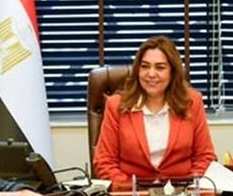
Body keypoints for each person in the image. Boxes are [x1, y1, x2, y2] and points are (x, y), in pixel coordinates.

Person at [93, 35, 216, 185]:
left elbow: (205, 157)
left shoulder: (192, 102)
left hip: (181, 192)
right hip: (131, 194)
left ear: (173, 72)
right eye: (145, 66)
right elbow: (104, 162)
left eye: (160, 67)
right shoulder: (117, 105)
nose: (151, 74)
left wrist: (190, 188)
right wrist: (131, 190)